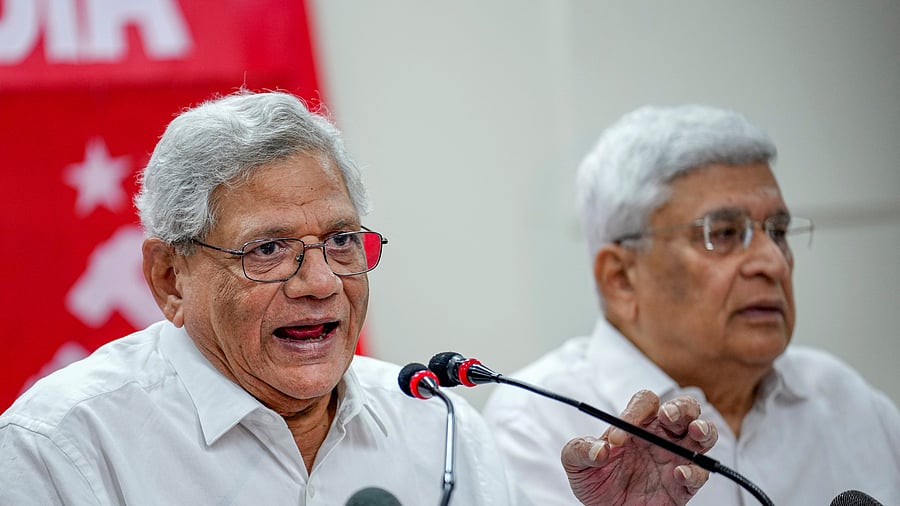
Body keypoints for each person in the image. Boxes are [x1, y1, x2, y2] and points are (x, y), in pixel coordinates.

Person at [0, 91, 718, 505]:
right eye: (268, 250)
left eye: (341, 242)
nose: (319, 284)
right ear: (169, 279)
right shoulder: (62, 449)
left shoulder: (437, 426)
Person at [483, 104, 900, 505]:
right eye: (723, 233)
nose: (772, 262)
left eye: (779, 231)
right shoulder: (538, 424)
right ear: (621, 279)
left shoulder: (848, 402)